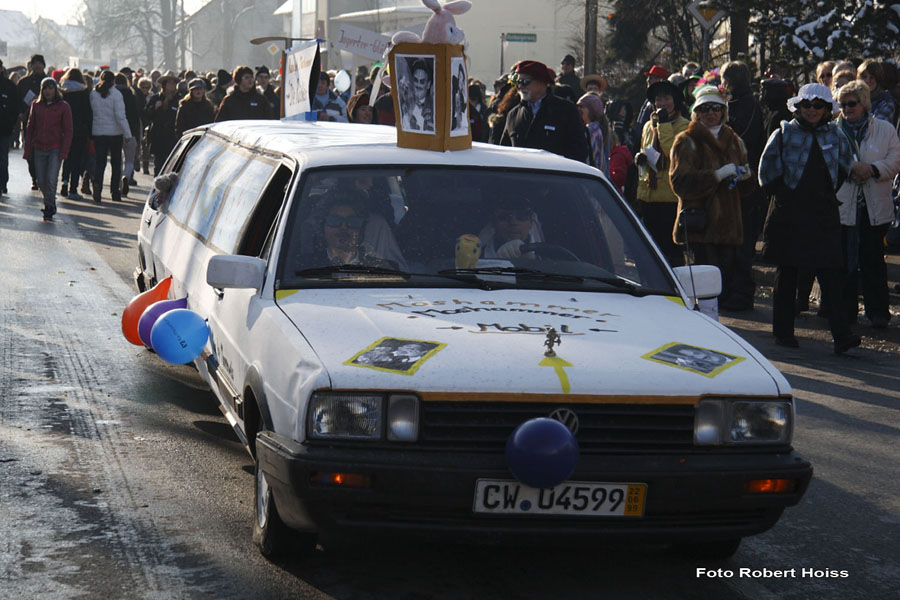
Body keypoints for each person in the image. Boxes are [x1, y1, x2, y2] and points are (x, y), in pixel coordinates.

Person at [758, 83, 860, 353]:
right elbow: (765, 172)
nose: (812, 110)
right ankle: (783, 332)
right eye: (807, 105)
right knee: (788, 272)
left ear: (828, 109)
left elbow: (845, 166)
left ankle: (842, 336)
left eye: (818, 106)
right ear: (798, 107)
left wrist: (826, 193)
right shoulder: (784, 131)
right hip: (789, 211)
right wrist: (783, 195)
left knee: (831, 273)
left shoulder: (836, 135)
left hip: (823, 212)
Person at [669, 85, 755, 304]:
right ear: (696, 112)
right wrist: (715, 175)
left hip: (729, 225)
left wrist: (746, 177)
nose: (710, 113)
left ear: (723, 111)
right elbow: (679, 183)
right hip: (700, 224)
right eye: (704, 108)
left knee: (724, 285)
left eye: (715, 108)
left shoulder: (735, 140)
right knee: (703, 290)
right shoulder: (685, 141)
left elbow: (747, 188)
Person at [834, 81, 900, 329]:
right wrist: (849, 169)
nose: (847, 109)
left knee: (873, 260)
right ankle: (846, 311)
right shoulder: (833, 130)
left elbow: (895, 159)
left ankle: (878, 312)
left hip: (875, 206)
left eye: (852, 104)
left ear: (864, 104)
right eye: (842, 104)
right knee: (845, 262)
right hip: (844, 206)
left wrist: (872, 169)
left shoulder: (884, 129)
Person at [721, 60, 767, 311]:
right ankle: (731, 289)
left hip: (745, 184)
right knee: (732, 242)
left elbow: (743, 140)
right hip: (736, 183)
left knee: (741, 243)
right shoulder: (741, 104)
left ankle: (741, 291)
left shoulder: (747, 105)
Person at [634, 78, 690, 265]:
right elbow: (648, 152)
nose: (661, 103)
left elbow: (672, 152)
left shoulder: (683, 125)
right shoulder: (648, 126)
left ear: (675, 100)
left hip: (670, 198)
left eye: (666, 98)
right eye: (658, 99)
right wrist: (639, 159)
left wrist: (664, 124)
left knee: (672, 254)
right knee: (651, 253)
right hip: (649, 195)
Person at [500, 60, 589, 163]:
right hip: (521, 177)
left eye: (525, 82)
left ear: (543, 83)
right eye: (518, 82)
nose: (520, 87)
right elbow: (505, 153)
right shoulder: (513, 115)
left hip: (553, 176)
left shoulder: (565, 110)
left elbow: (579, 152)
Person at [24, 77, 72, 221]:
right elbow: (30, 128)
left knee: (51, 179)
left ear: (55, 89)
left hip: (55, 148)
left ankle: (49, 206)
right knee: (41, 181)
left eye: (50, 88)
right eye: (45, 88)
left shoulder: (63, 106)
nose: (47, 91)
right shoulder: (36, 105)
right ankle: (50, 201)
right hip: (39, 147)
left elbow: (68, 130)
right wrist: (27, 149)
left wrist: (64, 150)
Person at [90, 70, 133, 202]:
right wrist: (127, 133)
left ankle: (97, 188)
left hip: (98, 131)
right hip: (115, 133)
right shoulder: (116, 94)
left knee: (100, 162)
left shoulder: (93, 94)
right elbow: (120, 116)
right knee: (116, 163)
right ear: (113, 81)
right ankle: (115, 191)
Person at [58, 68, 92, 200]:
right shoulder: (84, 93)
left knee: (66, 158)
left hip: (64, 130)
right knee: (77, 160)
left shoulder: (62, 92)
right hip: (80, 130)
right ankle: (73, 189)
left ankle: (64, 183)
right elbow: (88, 114)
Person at [477, 196, 543, 259]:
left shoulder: (546, 256)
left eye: (522, 216)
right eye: (504, 217)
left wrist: (533, 260)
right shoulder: (476, 258)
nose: (513, 222)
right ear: (493, 222)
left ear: (531, 221)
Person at [17, 54, 47, 191]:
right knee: (31, 151)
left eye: (40, 63)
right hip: (29, 121)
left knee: (47, 150)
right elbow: (16, 100)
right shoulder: (24, 82)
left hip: (48, 122)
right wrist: (20, 113)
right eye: (35, 63)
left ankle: (44, 177)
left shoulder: (49, 82)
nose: (37, 66)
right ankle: (34, 178)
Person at [143, 73, 180, 176]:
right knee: (159, 167)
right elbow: (146, 114)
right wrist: (154, 108)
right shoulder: (155, 98)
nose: (171, 86)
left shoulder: (179, 99)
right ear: (164, 85)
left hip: (173, 138)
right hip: (158, 138)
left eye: (174, 83)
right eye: (169, 83)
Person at [115, 73, 141, 197]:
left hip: (115, 131)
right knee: (129, 159)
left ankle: (120, 179)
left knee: (118, 159)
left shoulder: (112, 95)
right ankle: (126, 175)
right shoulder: (132, 95)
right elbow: (136, 117)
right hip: (131, 131)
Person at [0, 60, 19, 197]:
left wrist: (11, 123)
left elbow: (15, 107)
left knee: (2, 157)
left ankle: (2, 183)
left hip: (3, 129)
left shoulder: (9, 86)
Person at [577, 92, 609, 174]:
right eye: (578, 107)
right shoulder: (589, 128)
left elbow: (588, 157)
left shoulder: (592, 131)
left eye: (582, 107)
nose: (579, 110)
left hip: (590, 174)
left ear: (591, 110)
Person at [398, 59, 433, 132]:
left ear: (428, 85)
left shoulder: (433, 107)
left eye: (422, 81)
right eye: (415, 80)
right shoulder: (404, 103)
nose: (418, 85)